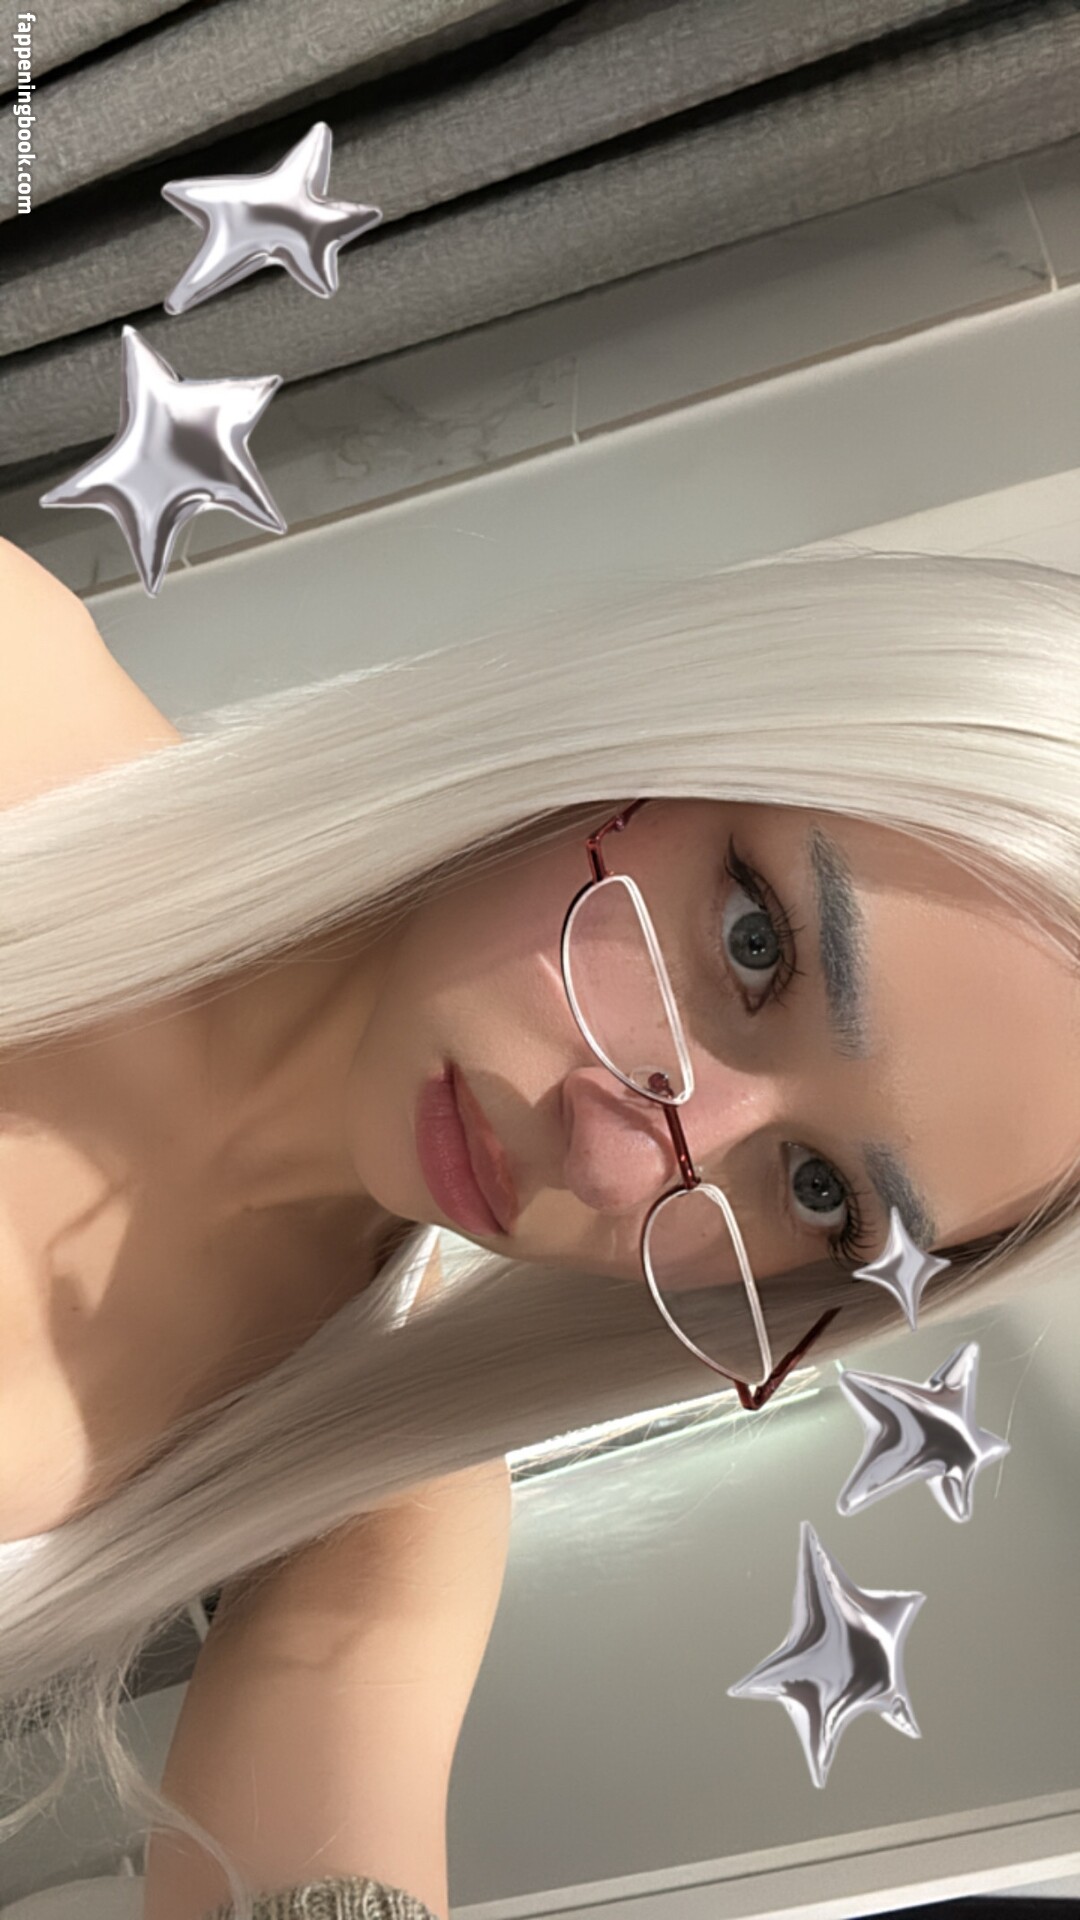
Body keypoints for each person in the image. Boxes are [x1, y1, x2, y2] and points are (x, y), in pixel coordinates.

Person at [0, 534, 1077, 1917]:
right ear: (669, 716)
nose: (622, 1161)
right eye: (753, 945)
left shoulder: (369, 1499)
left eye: (819, 1192)